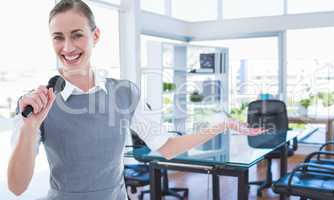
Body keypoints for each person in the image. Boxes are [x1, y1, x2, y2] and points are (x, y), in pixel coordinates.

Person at [7, 1, 263, 199]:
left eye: (77, 35)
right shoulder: (37, 103)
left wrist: (223, 125)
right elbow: (17, 186)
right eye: (58, 37)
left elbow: (167, 147)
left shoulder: (124, 93)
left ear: (95, 36)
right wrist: (29, 126)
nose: (68, 47)